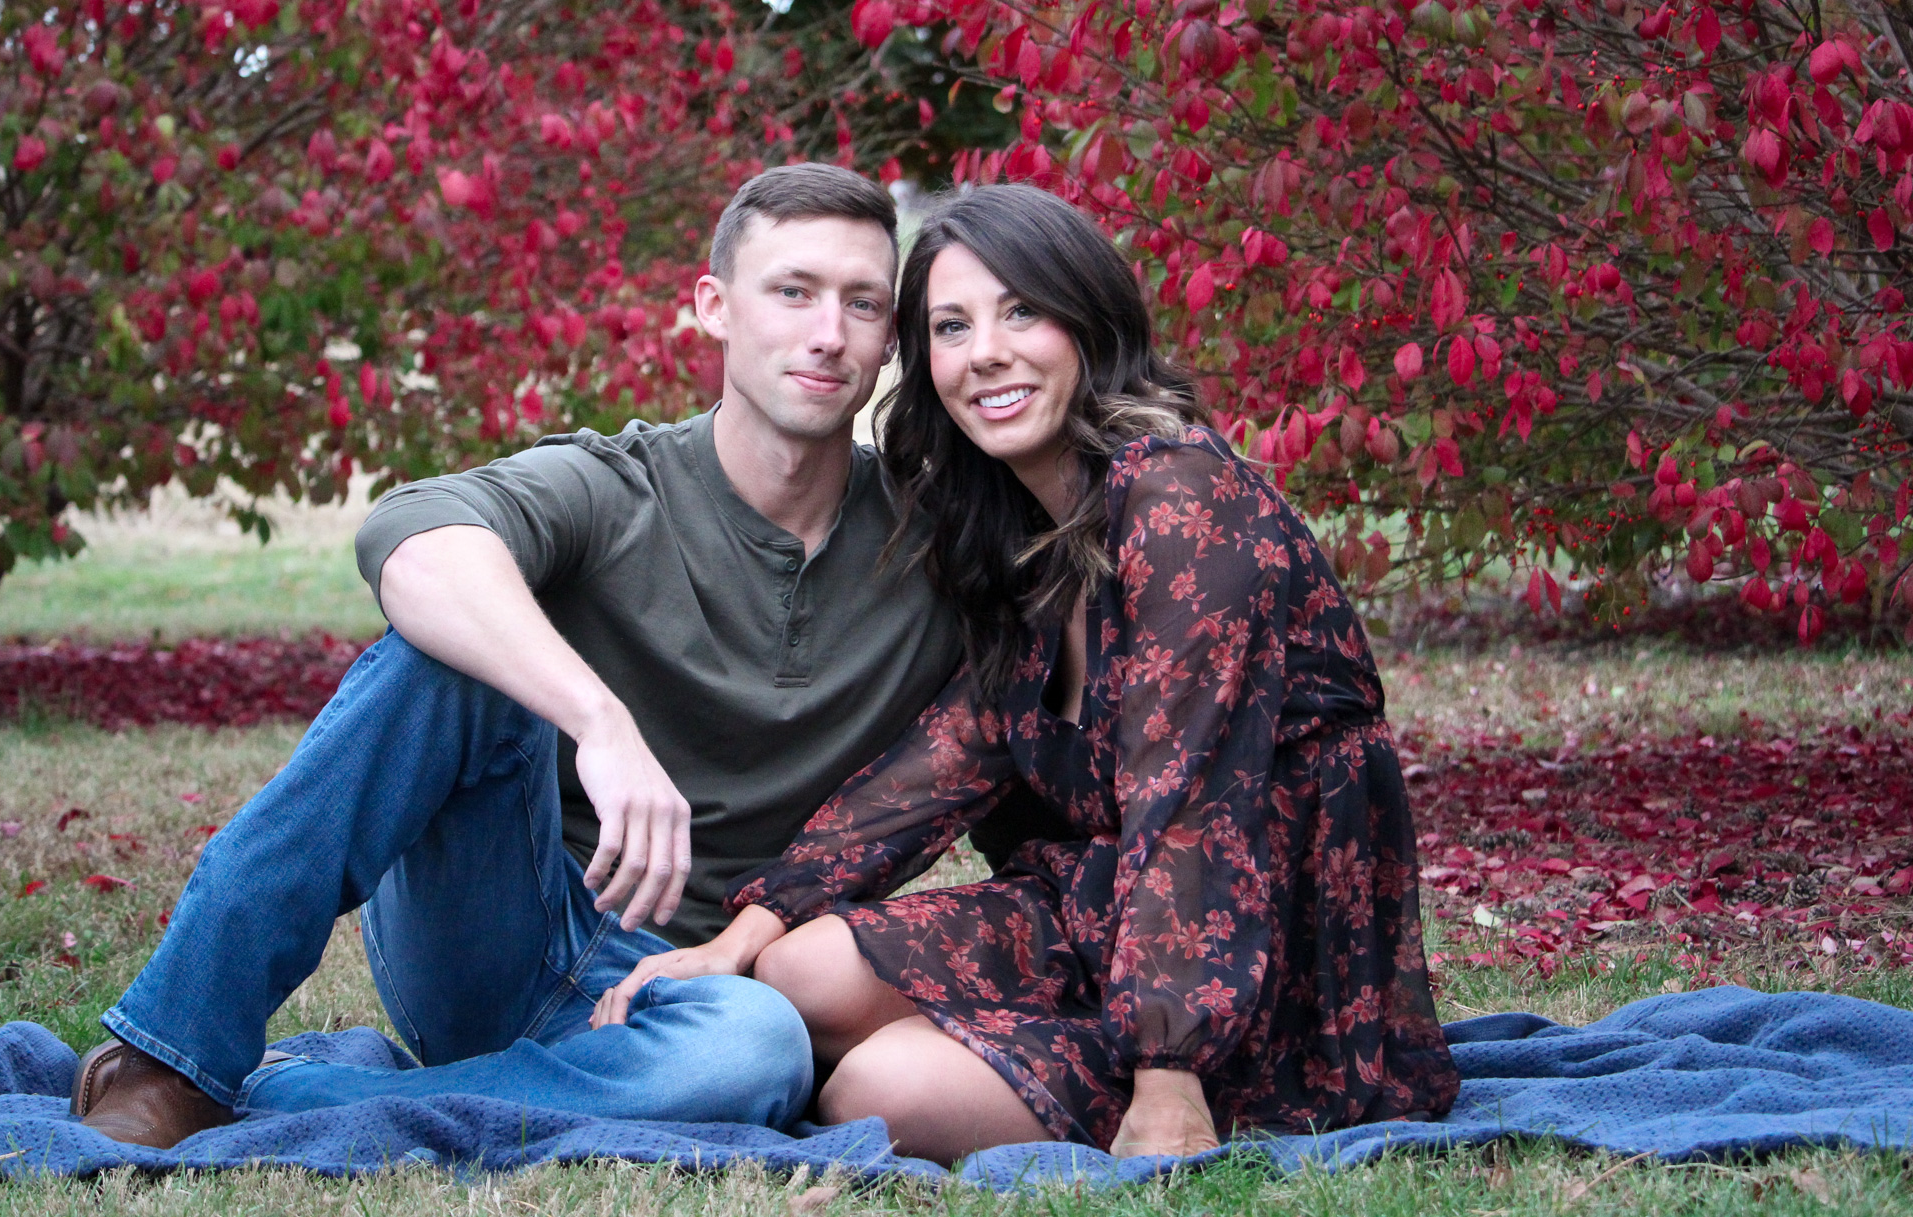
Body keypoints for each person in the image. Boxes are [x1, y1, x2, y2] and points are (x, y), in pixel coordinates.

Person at [68, 164, 964, 1148]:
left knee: (754, 1055)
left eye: (860, 303)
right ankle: (168, 1053)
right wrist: (596, 718)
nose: (826, 331)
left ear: (889, 339)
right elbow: (408, 540)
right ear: (713, 307)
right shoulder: (615, 487)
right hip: (511, 923)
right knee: (446, 659)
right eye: (791, 291)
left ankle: (280, 1095)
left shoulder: (936, 555)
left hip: (704, 999)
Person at [604, 184, 1459, 1165]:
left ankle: (1115, 1060)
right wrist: (740, 930)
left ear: (1088, 322)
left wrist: (1168, 1075)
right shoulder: (1022, 533)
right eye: (951, 325)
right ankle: (1033, 1047)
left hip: (1266, 947)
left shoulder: (1184, 500)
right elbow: (942, 762)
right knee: (793, 972)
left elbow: (1192, 793)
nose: (986, 354)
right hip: (1101, 906)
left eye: (1022, 311)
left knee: (873, 1089)